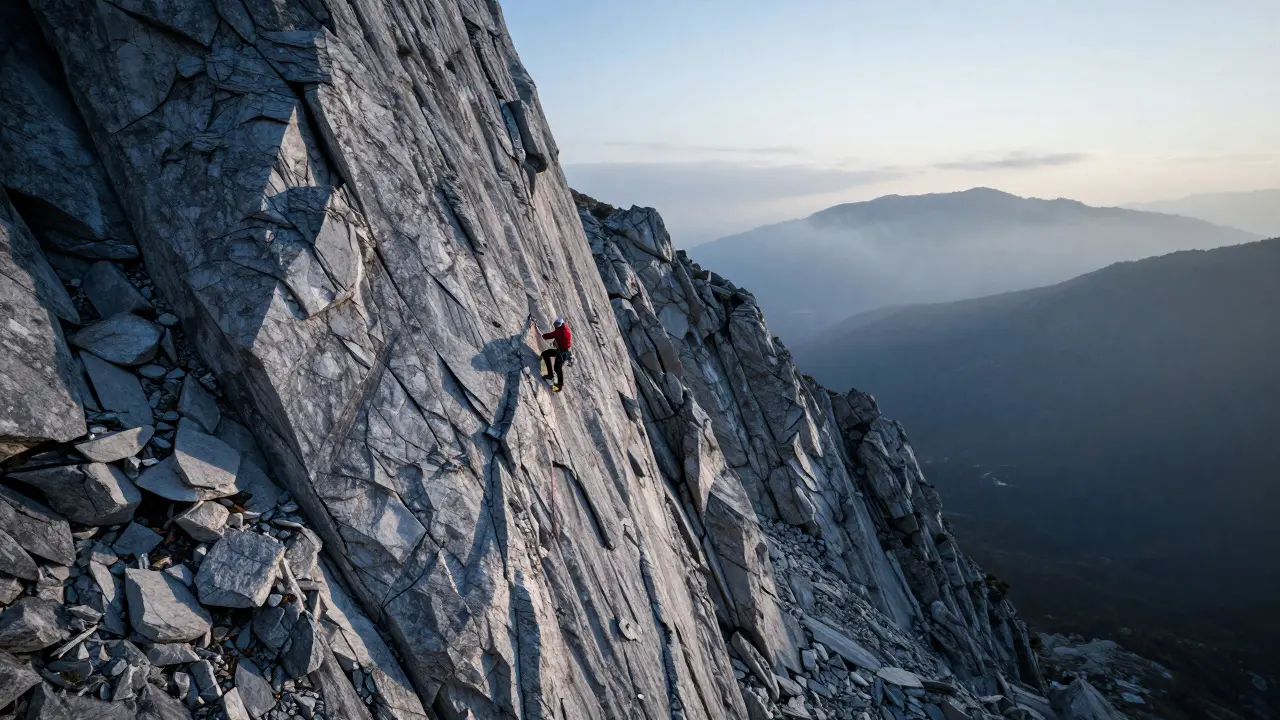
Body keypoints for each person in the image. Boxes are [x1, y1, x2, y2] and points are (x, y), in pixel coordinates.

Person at [535, 316, 573, 391]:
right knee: (546, 354)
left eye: (556, 326)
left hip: (562, 353)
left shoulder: (560, 332)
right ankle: (550, 375)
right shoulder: (564, 328)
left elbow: (549, 336)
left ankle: (559, 386)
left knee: (557, 368)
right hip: (563, 350)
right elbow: (557, 336)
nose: (555, 327)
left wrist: (541, 335)